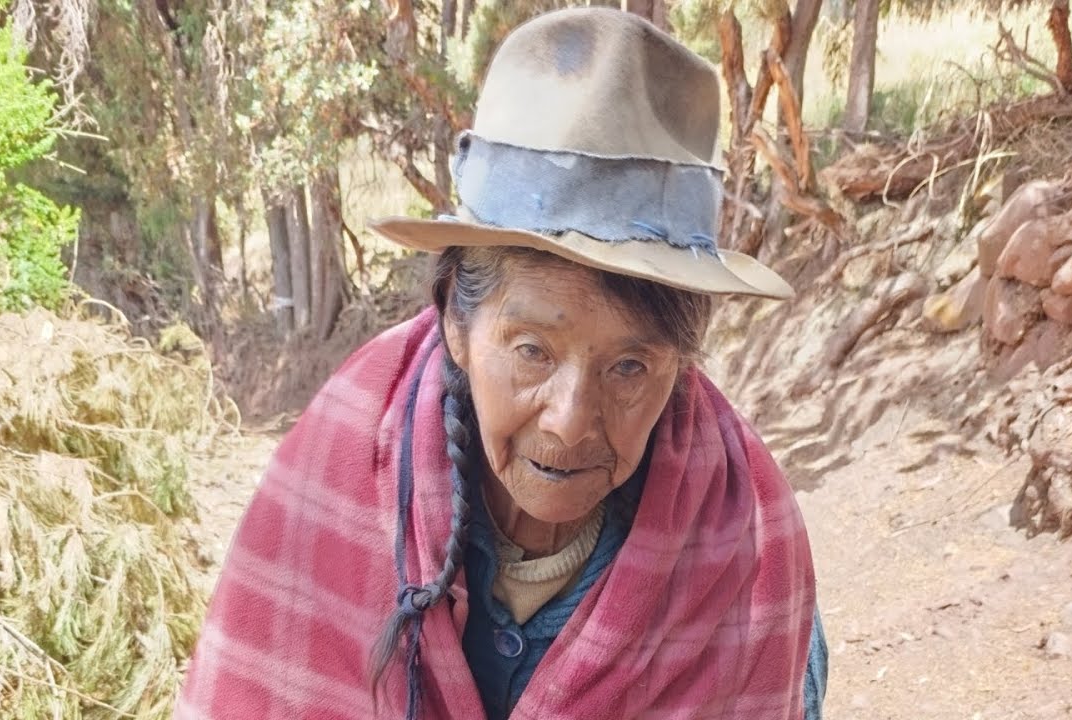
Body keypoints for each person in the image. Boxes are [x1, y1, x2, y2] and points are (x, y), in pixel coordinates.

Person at [176, 8, 827, 720]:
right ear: (457, 318)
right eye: (532, 352)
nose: (573, 420)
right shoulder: (334, 481)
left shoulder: (747, 564)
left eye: (630, 367)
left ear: (682, 369)